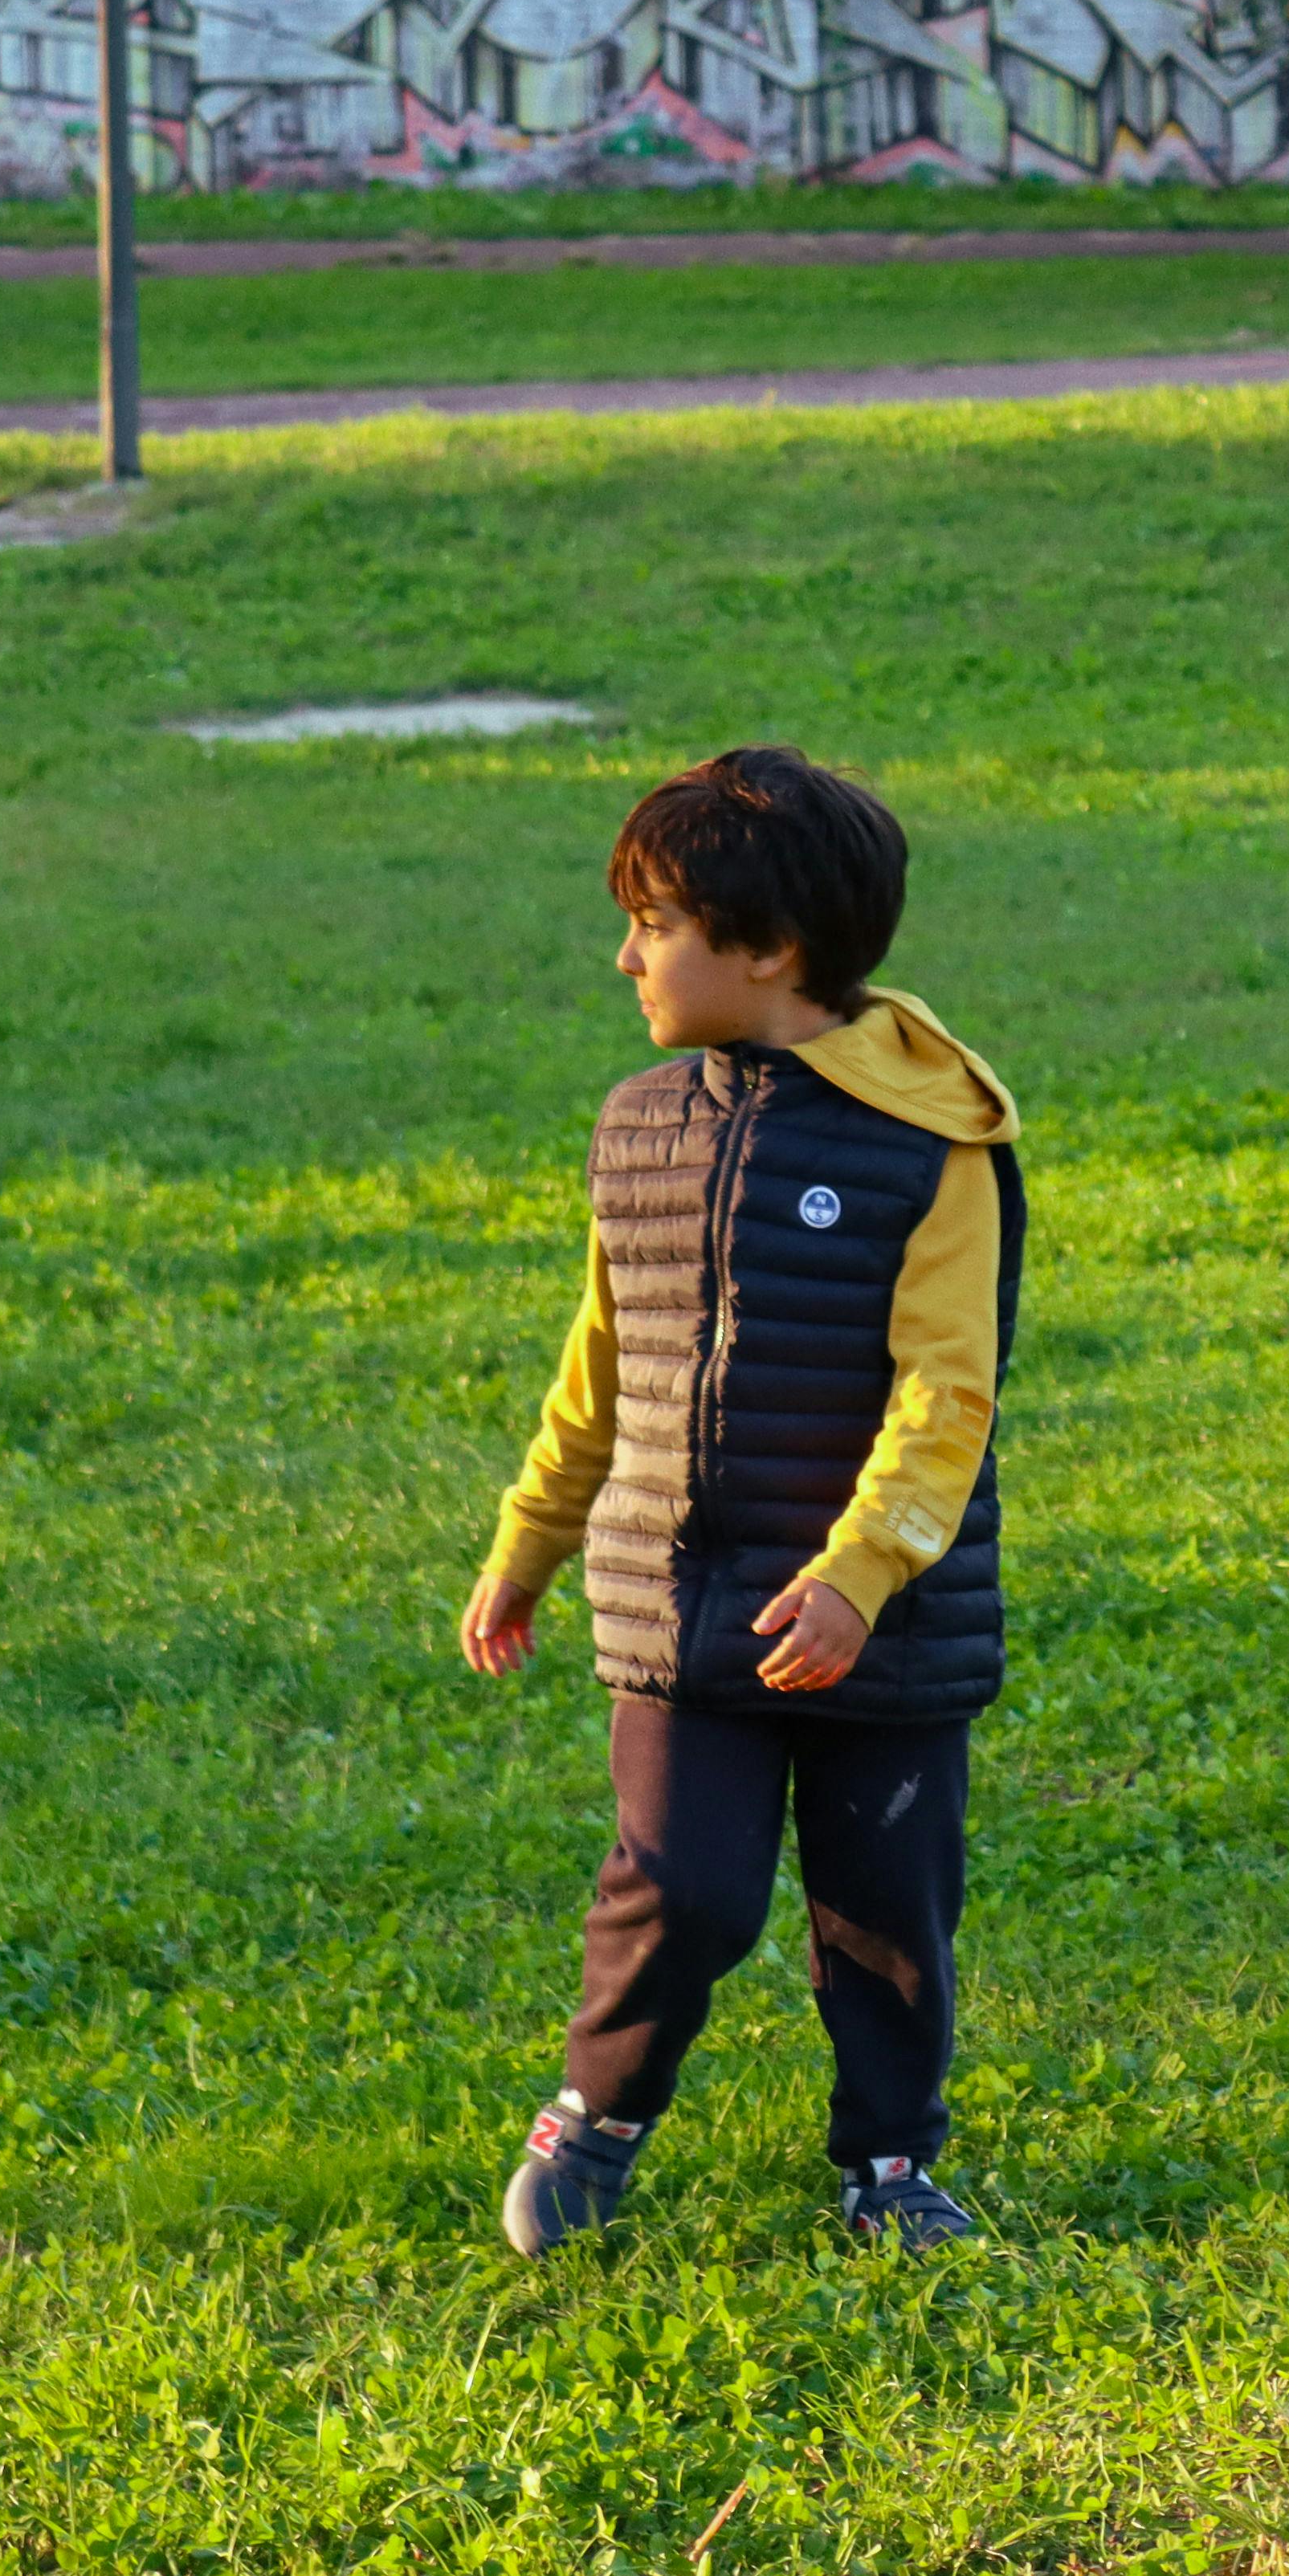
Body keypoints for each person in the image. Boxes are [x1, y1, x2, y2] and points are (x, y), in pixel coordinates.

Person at [461, 744, 1025, 2254]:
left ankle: (891, 2166)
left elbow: (946, 1391)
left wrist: (860, 1575)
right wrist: (534, 1539)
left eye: (656, 924)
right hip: (684, 1608)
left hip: (881, 1627)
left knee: (886, 1919)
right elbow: (607, 1358)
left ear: (768, 952)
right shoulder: (641, 1126)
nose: (625, 954)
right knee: (680, 1890)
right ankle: (595, 2121)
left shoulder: (933, 1142)